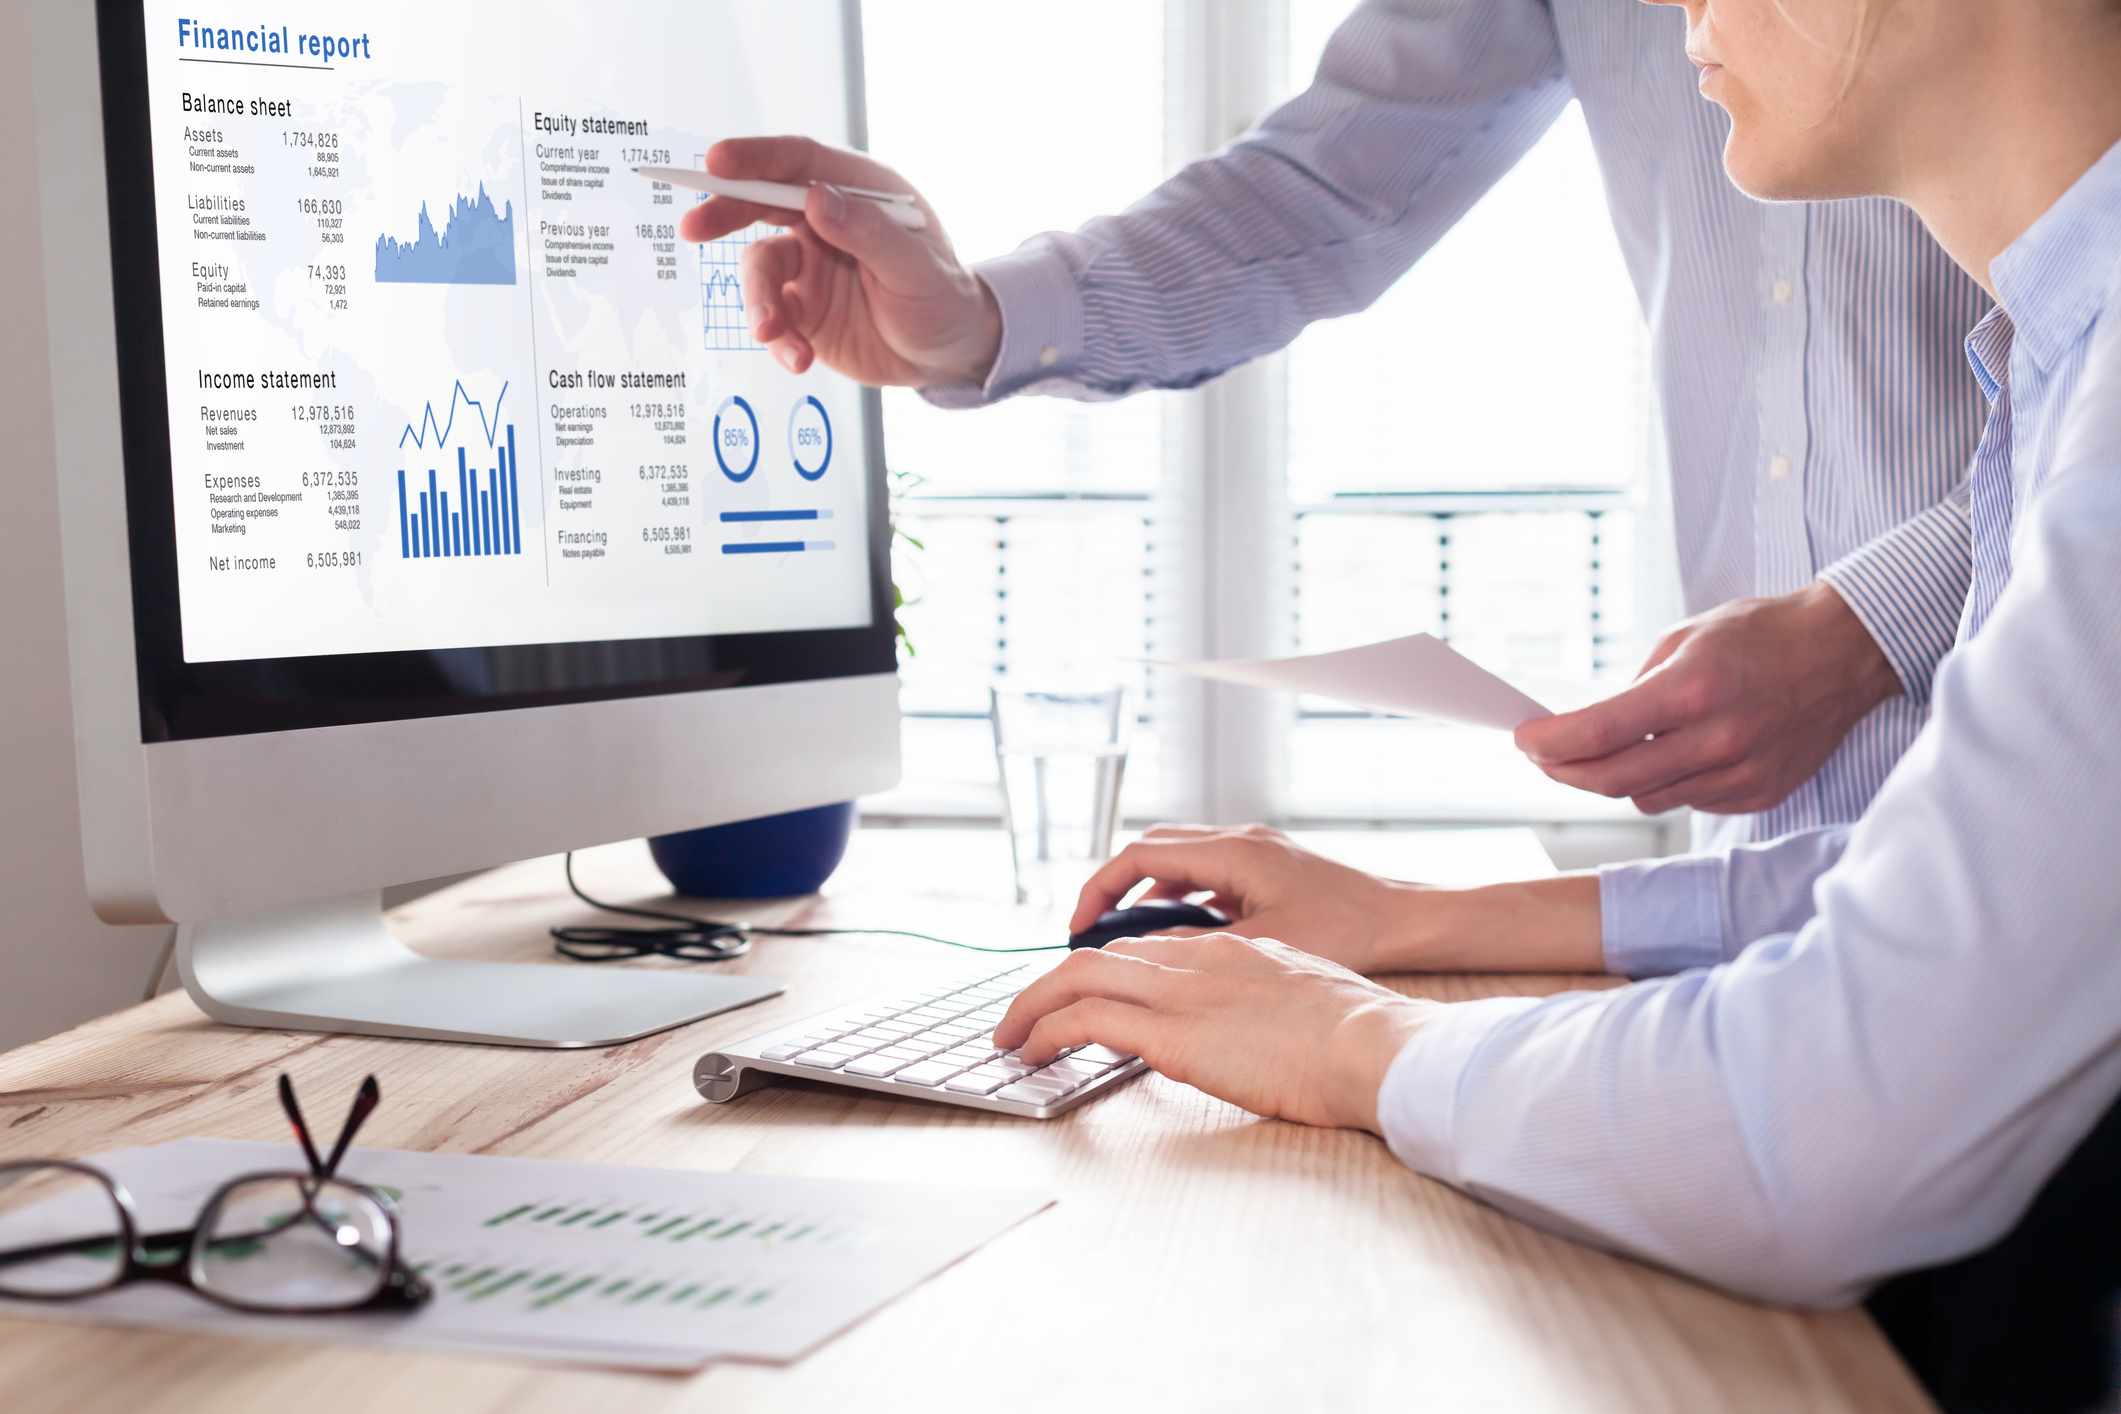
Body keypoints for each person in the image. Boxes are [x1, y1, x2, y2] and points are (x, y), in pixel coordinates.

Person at [986, 0, 2121, 1395]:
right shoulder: (2054, 363)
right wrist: (1416, 926)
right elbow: (1957, 898)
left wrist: (1350, 1040)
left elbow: (1821, 1119)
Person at [684, 0, 1988, 863]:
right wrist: (972, 319)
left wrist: (1874, 622)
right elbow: (1330, 188)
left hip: (2047, 802)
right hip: (1764, 865)